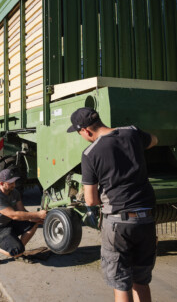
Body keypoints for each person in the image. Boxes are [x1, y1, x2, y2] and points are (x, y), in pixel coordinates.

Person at [67, 107, 158, 302]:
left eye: (79, 133)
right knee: (141, 281)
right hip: (146, 219)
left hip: (118, 224)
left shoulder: (90, 154)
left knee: (120, 282)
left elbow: (91, 200)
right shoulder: (132, 132)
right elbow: (155, 140)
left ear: (86, 131)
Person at [0, 166, 47, 264]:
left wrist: (34, 218)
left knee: (33, 225)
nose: (14, 185)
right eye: (10, 183)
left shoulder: (14, 192)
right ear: (2, 184)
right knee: (16, 251)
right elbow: (14, 215)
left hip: (8, 224)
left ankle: (18, 252)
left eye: (14, 182)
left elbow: (22, 211)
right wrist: (38, 213)